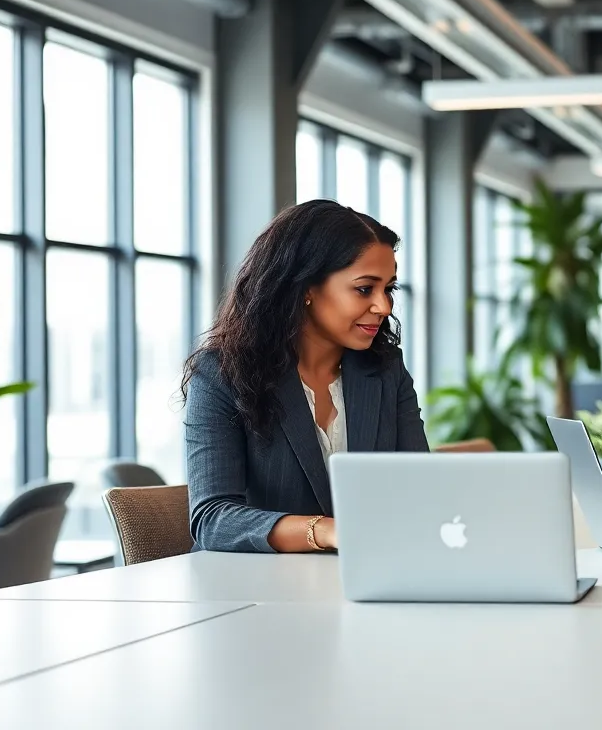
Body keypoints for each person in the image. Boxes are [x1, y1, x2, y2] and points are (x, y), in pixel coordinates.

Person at [182, 200, 430, 554]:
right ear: (306, 289)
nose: (384, 306)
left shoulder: (385, 370)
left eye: (388, 288)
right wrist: (325, 532)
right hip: (250, 589)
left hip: (366, 577)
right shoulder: (222, 374)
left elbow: (418, 488)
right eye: (364, 289)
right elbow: (212, 519)